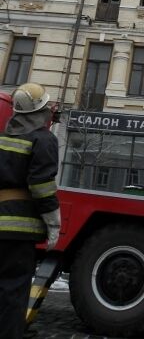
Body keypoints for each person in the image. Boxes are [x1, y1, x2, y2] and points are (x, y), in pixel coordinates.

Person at [0, 82, 60, 339]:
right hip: (18, 233)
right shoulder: (43, 139)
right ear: (39, 111)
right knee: (13, 292)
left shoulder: (3, 138)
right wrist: (53, 222)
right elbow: (42, 186)